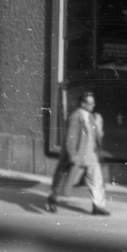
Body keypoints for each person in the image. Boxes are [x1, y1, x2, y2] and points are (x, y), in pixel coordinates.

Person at [47, 87, 111, 215]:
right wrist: (72, 156)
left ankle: (98, 206)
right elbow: (70, 138)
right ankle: (53, 199)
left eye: (93, 103)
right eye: (90, 103)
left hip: (91, 155)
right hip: (79, 155)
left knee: (96, 180)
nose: (93, 106)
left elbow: (96, 137)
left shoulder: (92, 116)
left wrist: (99, 126)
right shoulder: (76, 116)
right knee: (68, 181)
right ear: (82, 104)